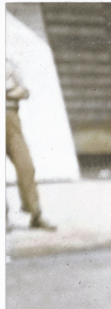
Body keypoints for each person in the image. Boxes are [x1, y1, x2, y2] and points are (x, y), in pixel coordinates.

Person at [6, 58, 54, 231]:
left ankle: (35, 215)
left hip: (11, 119)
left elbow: (24, 91)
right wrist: (11, 91)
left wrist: (9, 93)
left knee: (26, 166)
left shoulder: (8, 63)